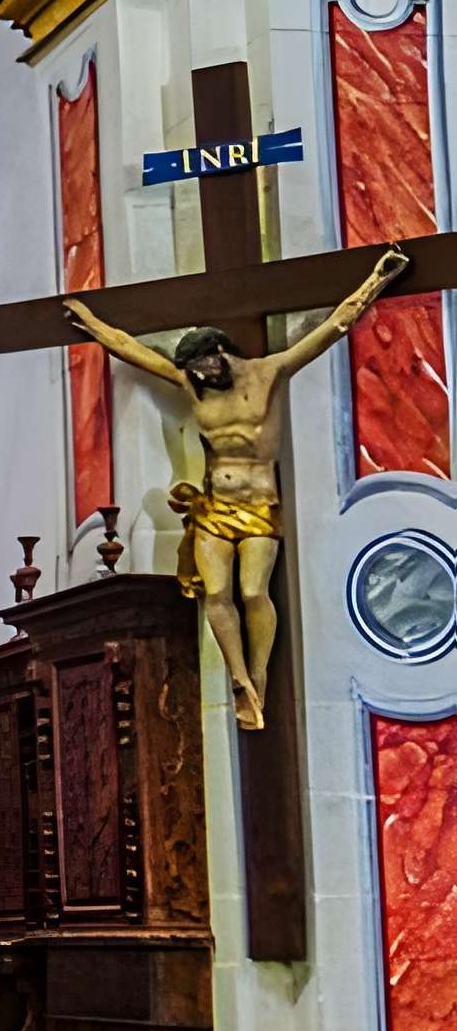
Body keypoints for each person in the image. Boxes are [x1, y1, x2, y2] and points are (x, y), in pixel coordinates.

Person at [65, 244, 408, 729]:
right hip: (214, 508)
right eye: (192, 372)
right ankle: (239, 679)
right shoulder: (191, 383)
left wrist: (377, 279)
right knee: (217, 591)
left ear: (218, 353)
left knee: (252, 592)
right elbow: (134, 351)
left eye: (202, 367)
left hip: (260, 504)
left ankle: (260, 677)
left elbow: (335, 327)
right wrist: (93, 325)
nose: (198, 377)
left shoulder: (269, 372)